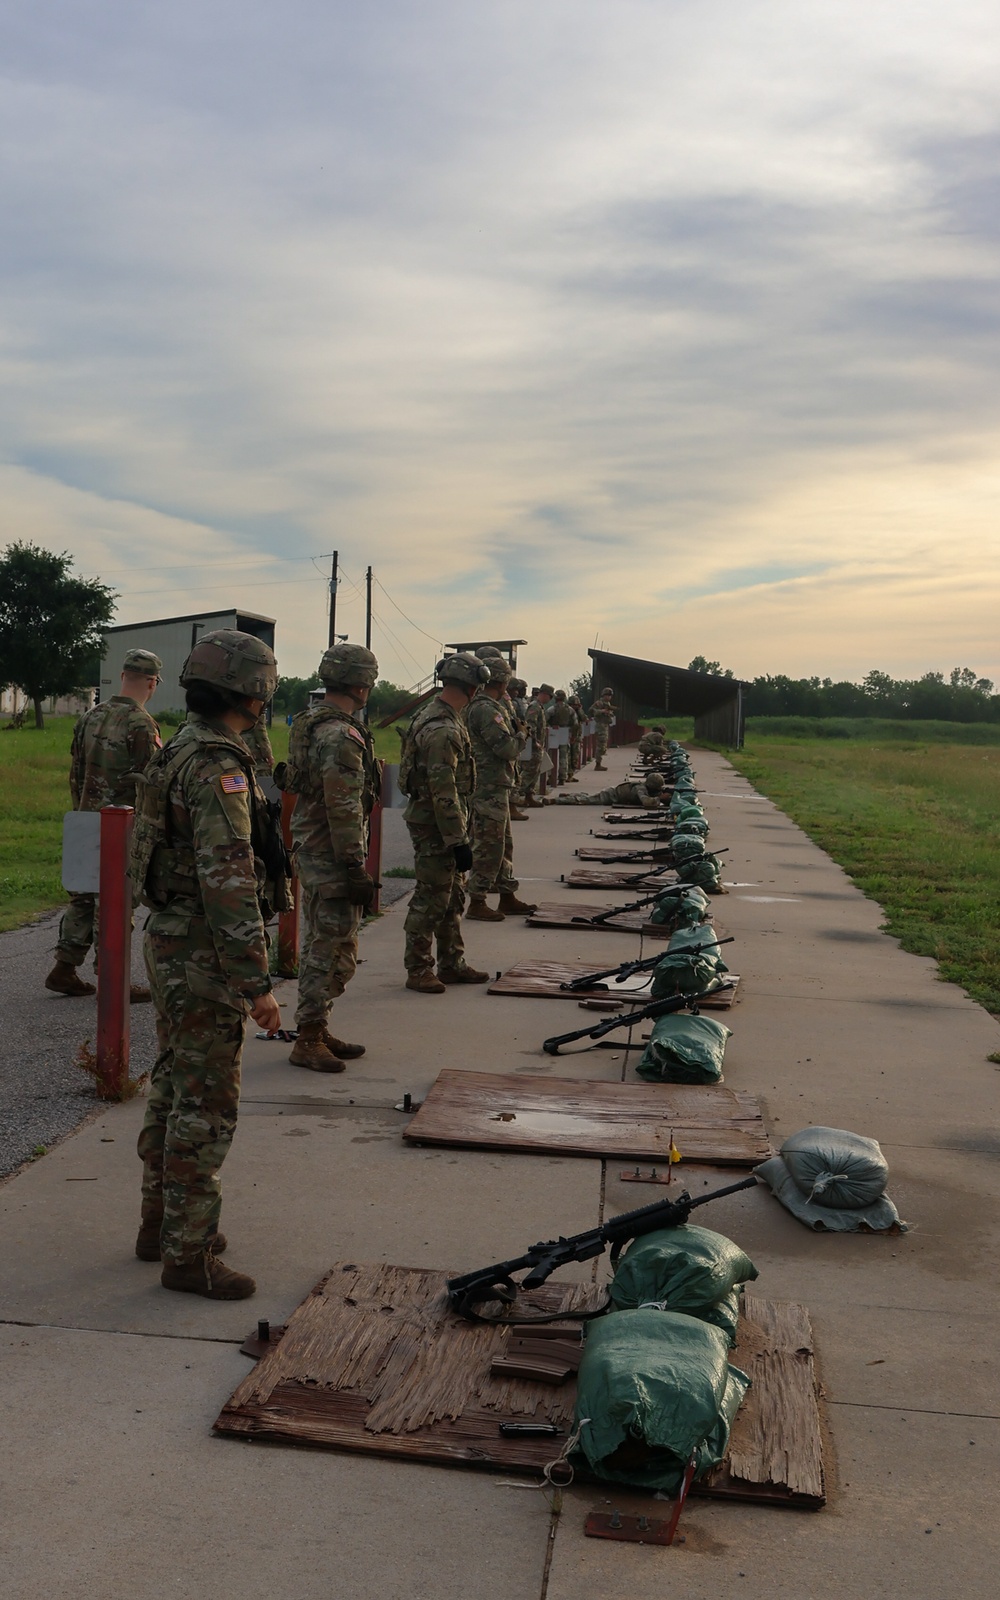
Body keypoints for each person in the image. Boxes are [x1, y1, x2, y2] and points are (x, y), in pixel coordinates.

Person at [130, 629, 284, 1300]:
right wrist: (256, 983)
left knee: (171, 1085)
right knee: (206, 1104)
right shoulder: (218, 764)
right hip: (203, 951)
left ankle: (161, 1223)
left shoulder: (178, 748)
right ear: (252, 690)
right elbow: (229, 879)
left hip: (169, 938)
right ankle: (188, 1255)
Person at [282, 643, 380, 1073]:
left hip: (316, 846)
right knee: (329, 946)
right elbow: (344, 806)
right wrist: (355, 865)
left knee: (332, 943)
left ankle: (317, 1027)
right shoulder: (340, 735)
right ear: (362, 685)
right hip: (332, 854)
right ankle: (307, 1036)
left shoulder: (311, 722)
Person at [45, 648, 163, 1001]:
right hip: (121, 826)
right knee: (116, 900)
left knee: (83, 896)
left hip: (85, 818)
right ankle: (113, 978)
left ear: (124, 675)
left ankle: (64, 967)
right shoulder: (142, 723)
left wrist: (81, 810)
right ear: (152, 683)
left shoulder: (90, 716)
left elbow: (76, 773)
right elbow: (153, 783)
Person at [399, 653, 492, 992]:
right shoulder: (444, 729)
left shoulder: (439, 717)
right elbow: (443, 791)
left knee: (452, 896)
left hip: (443, 823)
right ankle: (418, 967)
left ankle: (451, 962)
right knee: (431, 898)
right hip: (436, 827)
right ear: (473, 686)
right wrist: (458, 840)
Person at [464, 653, 536, 921]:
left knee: (504, 844)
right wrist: (521, 735)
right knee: (488, 846)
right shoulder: (486, 709)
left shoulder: (488, 706)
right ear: (503, 682)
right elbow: (506, 748)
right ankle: (477, 901)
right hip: (487, 786)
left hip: (496, 787)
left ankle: (507, 895)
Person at [545, 772, 668, 809]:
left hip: (613, 792)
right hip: (610, 796)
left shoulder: (644, 787)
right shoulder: (640, 789)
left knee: (589, 797)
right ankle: (556, 800)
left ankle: (570, 795)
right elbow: (646, 802)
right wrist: (659, 799)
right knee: (584, 801)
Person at [520, 684, 552, 806]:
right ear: (544, 694)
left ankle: (529, 796)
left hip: (538, 745)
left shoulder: (540, 707)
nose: (550, 699)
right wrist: (535, 741)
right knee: (529, 771)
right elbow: (530, 725)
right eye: (549, 696)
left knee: (535, 771)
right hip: (533, 745)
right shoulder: (534, 707)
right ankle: (518, 795)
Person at [546, 689, 574, 785]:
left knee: (551, 755)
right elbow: (575, 723)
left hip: (554, 732)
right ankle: (562, 777)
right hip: (565, 732)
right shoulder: (570, 709)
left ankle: (551, 777)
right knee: (564, 755)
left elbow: (545, 720)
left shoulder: (551, 709)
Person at [588, 687, 617, 770]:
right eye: (607, 695)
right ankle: (598, 764)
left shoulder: (608, 704)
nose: (609, 697)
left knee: (603, 746)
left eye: (610, 695)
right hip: (600, 725)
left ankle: (598, 762)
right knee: (601, 745)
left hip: (605, 725)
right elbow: (591, 711)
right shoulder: (599, 703)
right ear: (603, 695)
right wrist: (602, 711)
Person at [568, 695, 586, 778]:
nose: (574, 707)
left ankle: (571, 774)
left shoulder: (579, 712)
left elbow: (584, 718)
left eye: (576, 705)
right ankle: (568, 773)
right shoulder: (567, 711)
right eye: (573, 705)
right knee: (568, 755)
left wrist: (580, 710)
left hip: (577, 736)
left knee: (575, 754)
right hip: (567, 735)